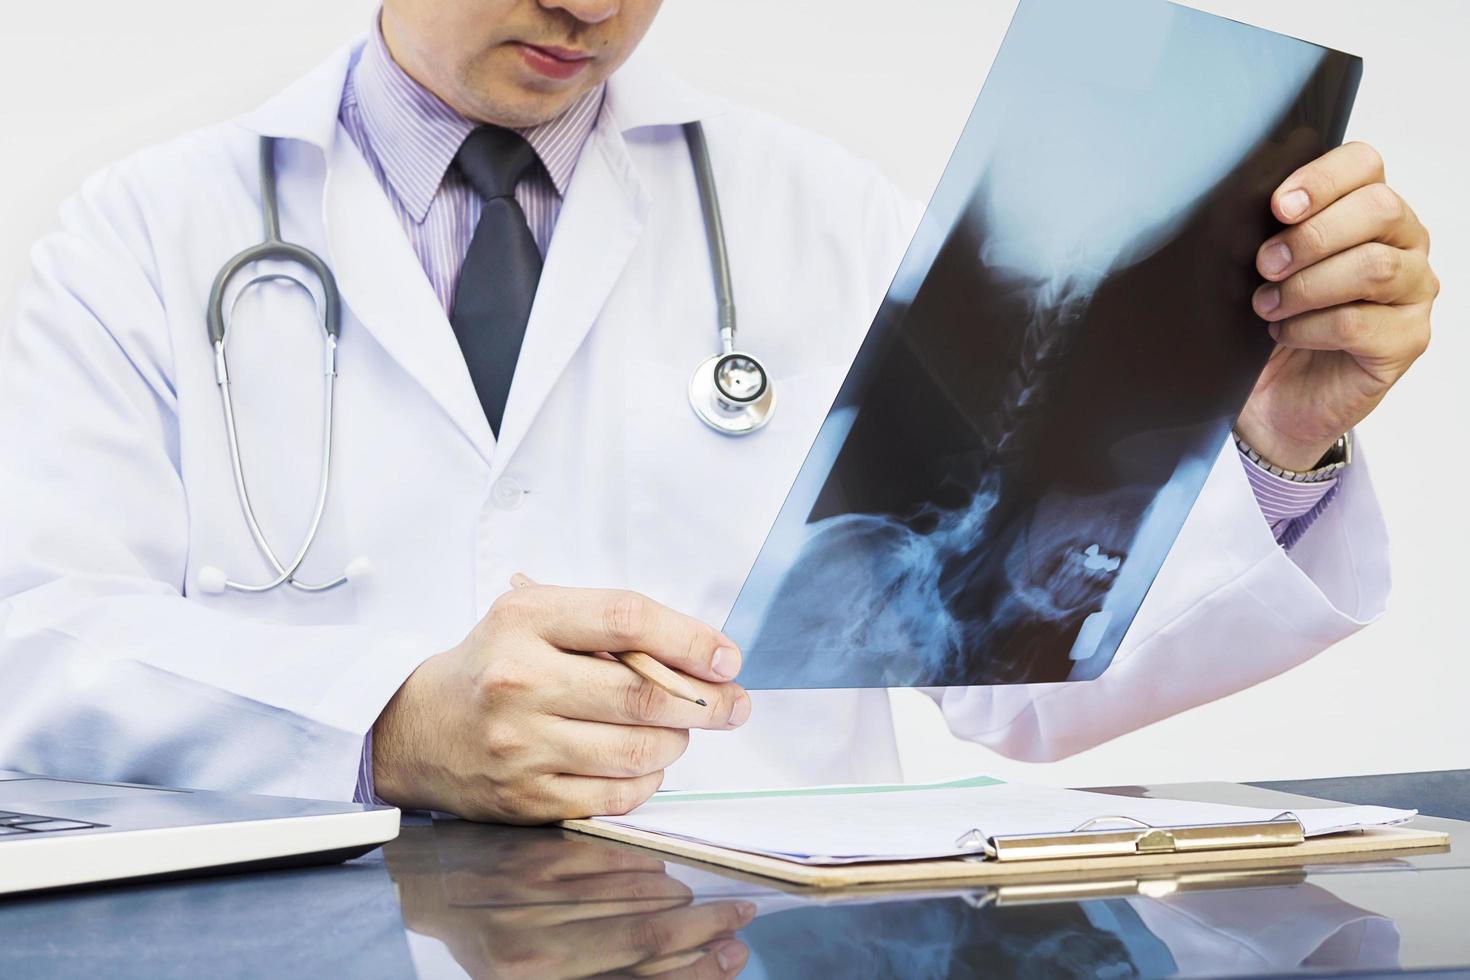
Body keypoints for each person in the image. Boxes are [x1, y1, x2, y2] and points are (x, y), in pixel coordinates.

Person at [0, 0, 1438, 823]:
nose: (591, 7)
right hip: (310, 943)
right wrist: (379, 724)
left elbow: (1017, 663)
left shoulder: (818, 217)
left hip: (752, 945)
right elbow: (31, 641)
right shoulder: (147, 237)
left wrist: (1278, 439)